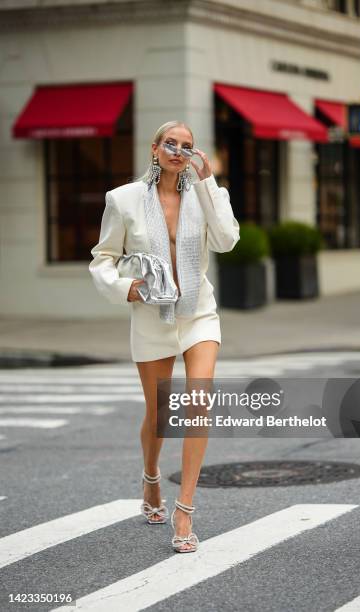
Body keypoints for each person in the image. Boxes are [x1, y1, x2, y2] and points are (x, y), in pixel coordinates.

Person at [89, 120, 240, 553]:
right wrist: (126, 288)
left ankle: (185, 509)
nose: (178, 150)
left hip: (198, 313)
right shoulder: (124, 200)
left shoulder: (201, 196)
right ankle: (151, 475)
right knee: (160, 414)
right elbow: (102, 259)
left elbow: (228, 240)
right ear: (155, 149)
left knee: (197, 404)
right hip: (152, 315)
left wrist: (211, 184)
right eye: (170, 143)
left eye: (186, 145)